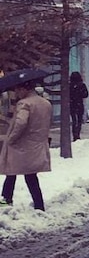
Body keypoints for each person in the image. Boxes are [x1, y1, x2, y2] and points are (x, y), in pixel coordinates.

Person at [0, 79, 52, 210]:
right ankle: (39, 205)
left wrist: (11, 139)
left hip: (21, 147)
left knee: (11, 174)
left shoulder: (24, 104)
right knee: (31, 176)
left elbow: (21, 123)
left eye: (18, 90)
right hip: (37, 145)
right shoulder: (45, 104)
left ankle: (5, 203)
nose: (16, 93)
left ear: (24, 89)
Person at [69, 71, 89, 141]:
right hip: (79, 105)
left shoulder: (70, 85)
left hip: (72, 105)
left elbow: (68, 95)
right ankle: (77, 134)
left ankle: (75, 135)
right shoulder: (82, 85)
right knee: (79, 120)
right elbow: (86, 95)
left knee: (74, 120)